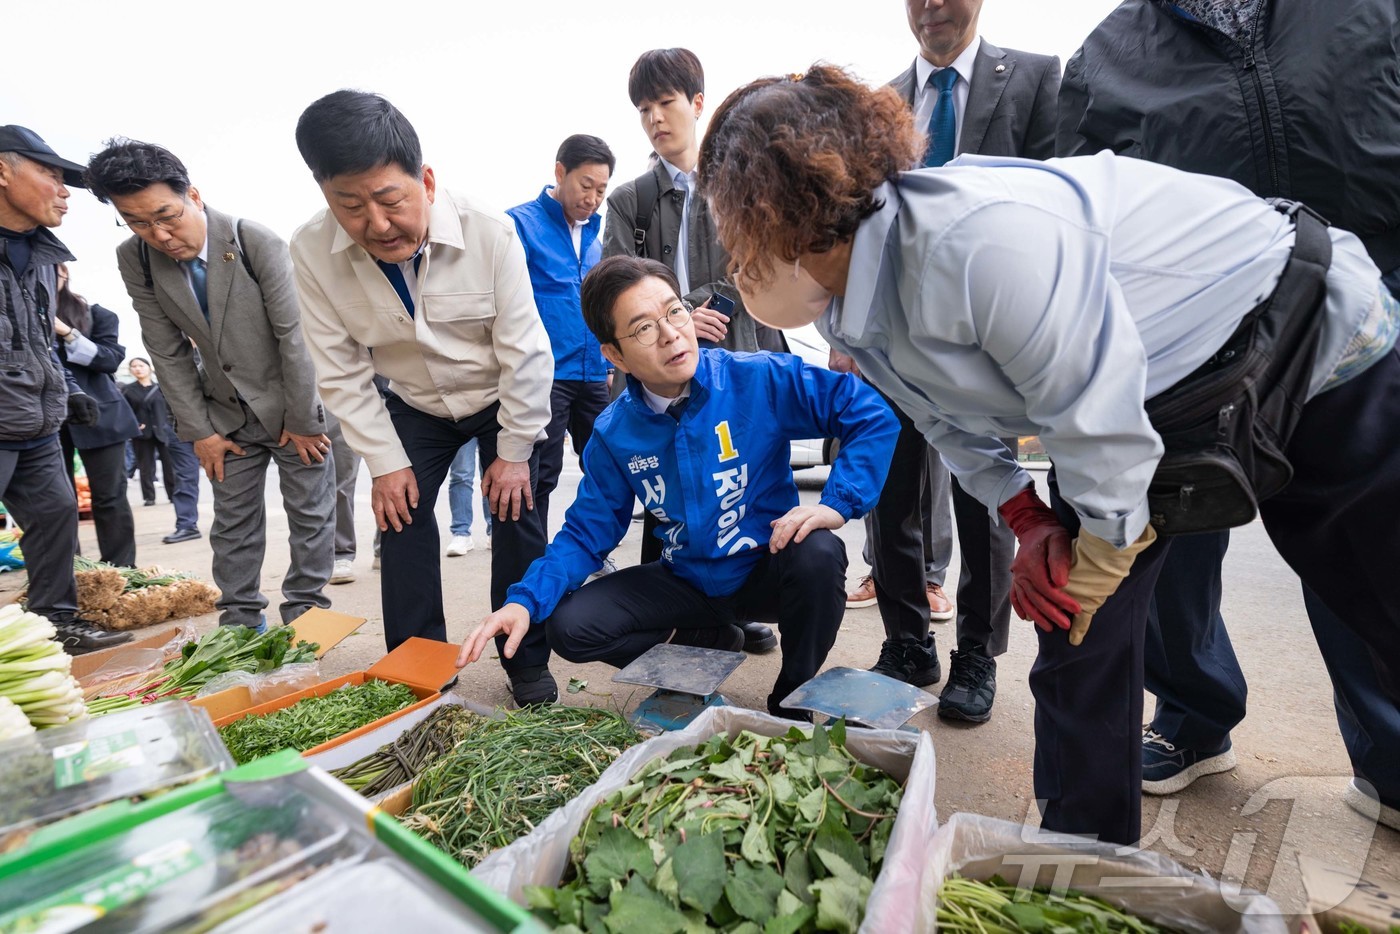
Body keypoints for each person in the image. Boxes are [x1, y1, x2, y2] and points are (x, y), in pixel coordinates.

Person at [699, 65, 1399, 844]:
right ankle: (1082, 867)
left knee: (1374, 591)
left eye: (734, 234)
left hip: (1299, 338)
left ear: (784, 215)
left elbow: (1098, 416)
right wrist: (1027, 516)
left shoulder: (977, 242)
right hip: (1143, 400)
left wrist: (1099, 554)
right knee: (1074, 637)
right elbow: (949, 424)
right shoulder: (846, 311)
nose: (734, 263)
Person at [1057, 0, 1400, 829]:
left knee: (1367, 541)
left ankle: (1389, 750)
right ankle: (1193, 716)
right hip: (1193, 352)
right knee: (1173, 556)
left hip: (1358, 324)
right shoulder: (1106, 57)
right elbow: (1080, 229)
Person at [457, 256, 899, 716]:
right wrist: (525, 601)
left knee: (821, 553)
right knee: (571, 626)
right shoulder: (615, 433)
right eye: (643, 328)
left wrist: (837, 503)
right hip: (687, 580)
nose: (670, 334)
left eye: (674, 312)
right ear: (614, 355)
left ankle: (790, 694)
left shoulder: (757, 378)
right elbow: (587, 534)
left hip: (765, 570)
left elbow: (868, 413)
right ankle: (703, 645)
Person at [290, 90, 558, 705]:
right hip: (414, 403)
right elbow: (340, 372)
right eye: (350, 206)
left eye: (390, 200)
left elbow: (525, 351)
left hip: (497, 398)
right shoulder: (309, 251)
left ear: (426, 181)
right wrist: (385, 465)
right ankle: (420, 664)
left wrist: (513, 451)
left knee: (517, 514)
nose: (377, 225)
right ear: (325, 197)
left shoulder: (491, 233)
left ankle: (526, 661)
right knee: (400, 515)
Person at [842, 0, 1060, 724]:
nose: (932, 4)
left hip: (987, 337)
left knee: (985, 501)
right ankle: (908, 642)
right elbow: (859, 223)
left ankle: (975, 653)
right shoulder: (876, 109)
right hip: (896, 339)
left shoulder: (1035, 80)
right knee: (891, 497)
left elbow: (1057, 204)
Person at [87, 139, 335, 631]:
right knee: (232, 526)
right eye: (137, 221)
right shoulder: (135, 258)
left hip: (294, 406)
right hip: (224, 415)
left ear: (193, 195)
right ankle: (241, 625)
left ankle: (308, 617)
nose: (158, 234)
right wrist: (199, 430)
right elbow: (166, 350)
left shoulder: (252, 241)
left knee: (310, 518)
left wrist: (304, 420)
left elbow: (295, 336)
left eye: (167, 215)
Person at [602, 48, 783, 653]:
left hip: (737, 346)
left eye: (666, 102)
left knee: (741, 482)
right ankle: (687, 619)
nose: (655, 117)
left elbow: (759, 258)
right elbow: (610, 281)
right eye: (644, 108)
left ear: (697, 103)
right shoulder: (629, 199)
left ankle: (744, 606)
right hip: (662, 360)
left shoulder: (741, 178)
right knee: (669, 493)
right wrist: (676, 318)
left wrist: (708, 307)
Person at [0, 125, 128, 653]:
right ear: (3, 171)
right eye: (50, 175)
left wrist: (62, 386)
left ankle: (56, 623)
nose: (64, 190)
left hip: (35, 422)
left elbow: (35, 338)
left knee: (54, 518)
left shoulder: (47, 257)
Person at [506, 135, 614, 533]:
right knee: (542, 475)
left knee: (607, 464)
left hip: (593, 376)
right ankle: (535, 564)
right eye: (586, 185)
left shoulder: (596, 240)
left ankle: (590, 551)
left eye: (601, 190)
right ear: (559, 172)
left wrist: (605, 364)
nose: (593, 198)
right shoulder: (519, 224)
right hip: (545, 374)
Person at [54, 264, 141, 567]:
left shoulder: (97, 314)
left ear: (64, 273)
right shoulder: (19, 317)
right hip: (48, 420)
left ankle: (120, 571)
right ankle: (67, 574)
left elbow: (109, 359)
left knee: (110, 498)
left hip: (101, 417)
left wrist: (65, 332)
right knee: (55, 504)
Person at [445, 438, 492, 555]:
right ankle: (461, 533)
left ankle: (495, 531)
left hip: (491, 420)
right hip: (463, 421)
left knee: (491, 474)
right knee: (460, 474)